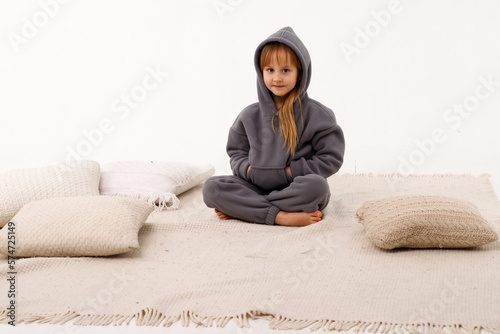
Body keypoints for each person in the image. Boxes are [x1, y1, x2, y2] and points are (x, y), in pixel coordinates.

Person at [202, 26, 345, 226]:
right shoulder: (249, 115)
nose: (277, 78)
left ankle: (247, 210)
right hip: (254, 185)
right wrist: (250, 171)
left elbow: (331, 158)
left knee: (317, 188)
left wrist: (289, 172)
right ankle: (279, 216)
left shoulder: (318, 115)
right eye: (270, 70)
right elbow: (236, 153)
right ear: (261, 72)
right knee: (212, 188)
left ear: (300, 74)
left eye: (285, 70)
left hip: (294, 188)